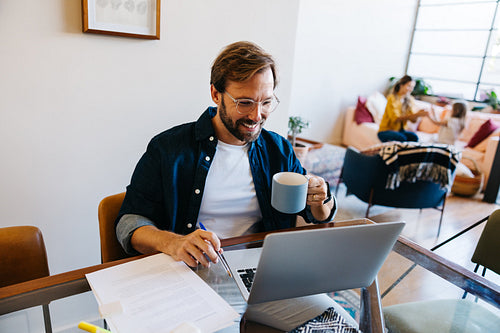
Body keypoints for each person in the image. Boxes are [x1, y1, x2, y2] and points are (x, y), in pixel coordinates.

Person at [115, 41, 336, 269]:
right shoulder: (168, 148)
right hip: (191, 271)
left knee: (326, 307)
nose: (256, 115)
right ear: (216, 94)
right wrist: (174, 242)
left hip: (262, 272)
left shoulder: (278, 149)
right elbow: (128, 223)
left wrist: (320, 197)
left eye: (267, 102)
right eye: (244, 103)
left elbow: (319, 215)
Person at [378, 75, 429, 143]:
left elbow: (413, 120)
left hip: (400, 130)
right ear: (401, 85)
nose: (411, 89)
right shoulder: (392, 98)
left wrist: (418, 115)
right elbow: (395, 118)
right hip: (386, 130)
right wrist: (416, 114)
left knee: (414, 137)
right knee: (402, 138)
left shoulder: (410, 100)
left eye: (412, 87)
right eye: (409, 86)